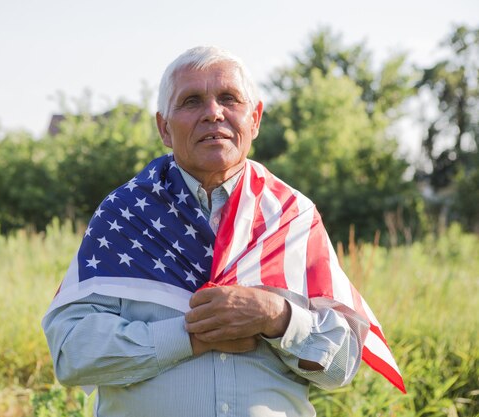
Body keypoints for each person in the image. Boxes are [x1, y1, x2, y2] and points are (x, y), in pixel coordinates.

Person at [42, 46, 403, 417]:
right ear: (164, 127)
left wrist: (277, 317)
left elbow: (342, 365)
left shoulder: (292, 216)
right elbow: (72, 354)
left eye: (229, 99)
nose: (213, 112)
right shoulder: (124, 216)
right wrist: (190, 336)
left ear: (255, 119)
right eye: (192, 101)